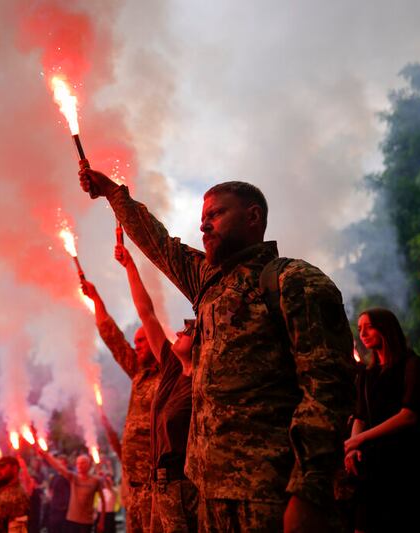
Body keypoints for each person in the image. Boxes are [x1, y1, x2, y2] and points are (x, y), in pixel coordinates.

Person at [79, 167, 356, 531]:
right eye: (202, 218)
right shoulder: (207, 283)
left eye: (216, 214)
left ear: (253, 216)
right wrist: (114, 195)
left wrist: (309, 492)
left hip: (271, 495)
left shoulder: (294, 281)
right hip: (207, 495)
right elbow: (161, 246)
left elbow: (328, 388)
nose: (204, 226)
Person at [113, 243, 198, 532]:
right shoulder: (173, 368)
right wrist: (129, 266)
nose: (178, 332)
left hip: (183, 487)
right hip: (158, 483)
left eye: (187, 331)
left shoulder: (202, 381)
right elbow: (146, 312)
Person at [344, 308, 420, 532]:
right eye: (360, 329)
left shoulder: (412, 365)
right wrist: (353, 447)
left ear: (386, 328)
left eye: (369, 327)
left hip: (406, 460)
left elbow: (409, 415)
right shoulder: (368, 374)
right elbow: (360, 415)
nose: (363, 333)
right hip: (373, 463)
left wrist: (360, 440)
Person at [81, 276, 158, 533]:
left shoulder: (172, 374)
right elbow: (114, 340)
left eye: (142, 341)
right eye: (135, 342)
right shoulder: (139, 372)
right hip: (133, 486)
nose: (136, 347)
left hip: (158, 486)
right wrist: (96, 300)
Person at [36, 448, 105, 533]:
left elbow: (103, 501)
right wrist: (46, 455)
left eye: (82, 463)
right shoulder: (73, 478)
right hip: (72, 520)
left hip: (87, 521)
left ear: (89, 464)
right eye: (78, 463)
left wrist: (101, 521)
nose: (79, 465)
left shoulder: (95, 481)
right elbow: (59, 468)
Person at [46, 454, 72, 533]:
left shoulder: (70, 476)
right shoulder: (55, 477)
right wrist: (49, 497)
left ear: (66, 464)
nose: (59, 466)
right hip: (54, 509)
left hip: (65, 510)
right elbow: (50, 489)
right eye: (58, 463)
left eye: (62, 463)